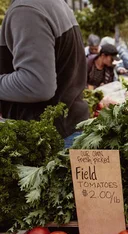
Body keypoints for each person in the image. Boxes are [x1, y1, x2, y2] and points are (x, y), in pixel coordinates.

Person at [0, 0, 88, 141]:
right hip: (67, 129)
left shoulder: (26, 10)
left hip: (48, 139)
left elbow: (37, 85)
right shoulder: (49, 3)